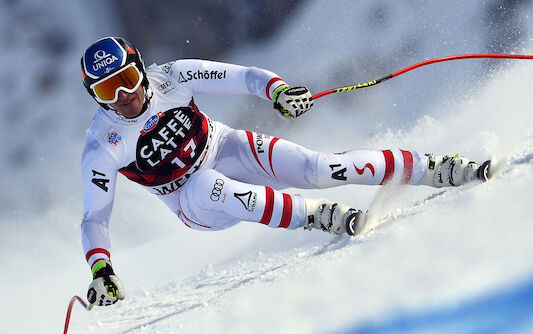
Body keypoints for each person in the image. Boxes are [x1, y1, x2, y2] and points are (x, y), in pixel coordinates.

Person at [80, 37, 489, 307]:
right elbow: (95, 217)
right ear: (94, 96)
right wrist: (103, 271)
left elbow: (243, 77)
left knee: (321, 166)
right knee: (206, 184)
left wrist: (278, 90)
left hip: (223, 146)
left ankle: (436, 168)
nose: (125, 96)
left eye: (128, 79)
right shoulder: (102, 145)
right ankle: (315, 215)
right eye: (107, 91)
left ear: (140, 69)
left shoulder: (171, 76)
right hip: (191, 200)